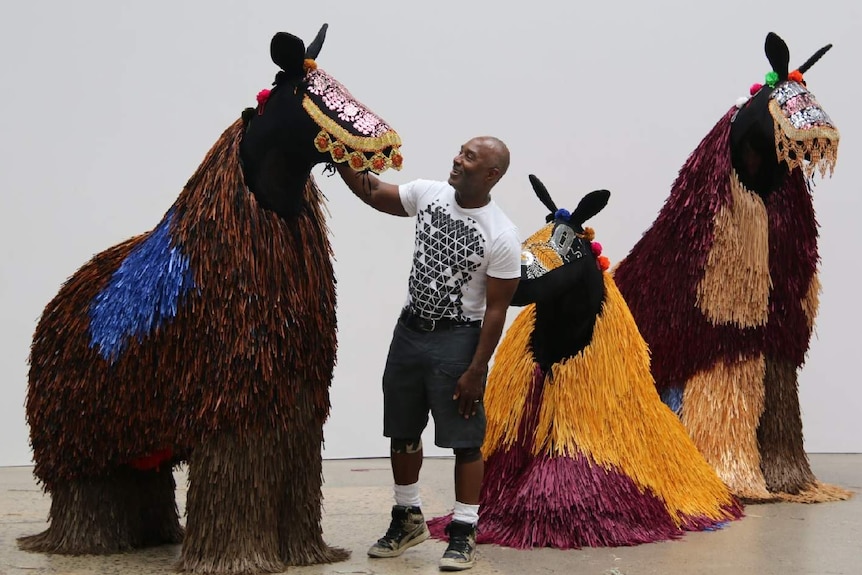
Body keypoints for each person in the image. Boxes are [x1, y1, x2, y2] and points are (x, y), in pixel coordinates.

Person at [337, 136, 521, 571]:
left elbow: (496, 311)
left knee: (464, 441)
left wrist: (477, 369)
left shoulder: (502, 234)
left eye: (470, 157)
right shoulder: (429, 193)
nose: (458, 159)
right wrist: (338, 156)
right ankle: (407, 517)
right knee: (402, 430)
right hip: (410, 333)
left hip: (457, 341)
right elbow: (375, 192)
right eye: (460, 151)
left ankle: (463, 530)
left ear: (492, 174)